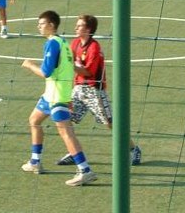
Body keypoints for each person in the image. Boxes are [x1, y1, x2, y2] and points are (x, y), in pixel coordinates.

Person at [20, 10, 97, 187]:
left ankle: (85, 170)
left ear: (51, 25)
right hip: (53, 95)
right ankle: (35, 161)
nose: (39, 27)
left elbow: (46, 72)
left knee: (65, 132)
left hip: (56, 98)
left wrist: (30, 66)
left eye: (42, 23)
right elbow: (66, 70)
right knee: (34, 120)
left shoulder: (53, 44)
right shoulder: (64, 43)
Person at [56, 14, 142, 167]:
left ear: (88, 29)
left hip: (94, 91)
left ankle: (134, 149)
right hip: (78, 89)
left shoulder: (94, 48)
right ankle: (73, 151)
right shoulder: (75, 43)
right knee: (65, 119)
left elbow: (87, 72)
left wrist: (67, 64)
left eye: (79, 25)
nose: (75, 28)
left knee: (110, 123)